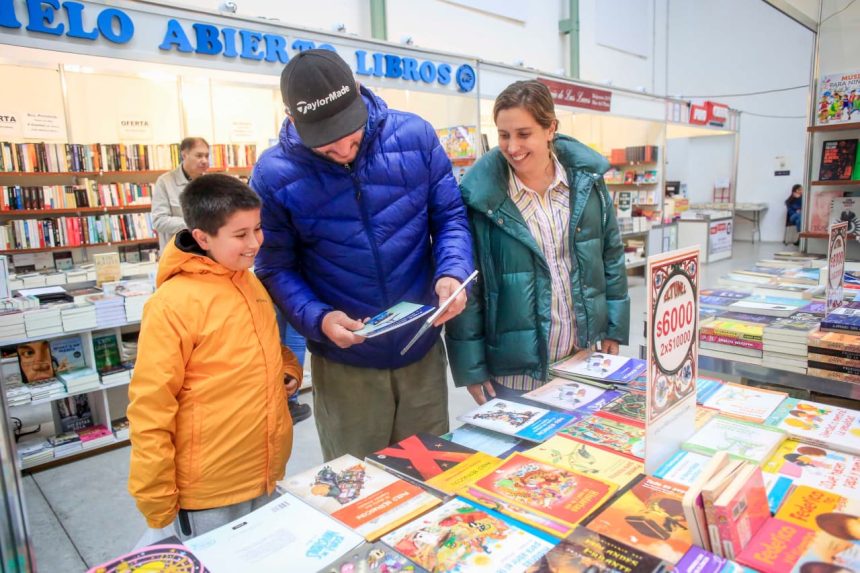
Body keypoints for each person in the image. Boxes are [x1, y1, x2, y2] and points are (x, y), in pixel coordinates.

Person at [251, 49, 473, 462]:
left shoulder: (415, 136)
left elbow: (450, 217)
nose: (343, 151)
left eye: (350, 135)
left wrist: (451, 272)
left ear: (357, 93)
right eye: (327, 145)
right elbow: (275, 266)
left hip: (420, 348)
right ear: (292, 117)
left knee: (432, 475)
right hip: (344, 363)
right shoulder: (273, 173)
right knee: (358, 487)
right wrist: (318, 318)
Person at [127, 174, 302, 540]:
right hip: (209, 489)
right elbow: (151, 406)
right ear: (202, 237)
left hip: (265, 469)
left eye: (257, 228)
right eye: (240, 235)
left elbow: (270, 347)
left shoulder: (248, 283)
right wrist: (157, 500)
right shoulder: (171, 305)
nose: (255, 243)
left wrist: (286, 370)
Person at [446, 80, 630, 404]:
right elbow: (469, 291)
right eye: (504, 135)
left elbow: (610, 256)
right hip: (517, 372)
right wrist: (472, 368)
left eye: (523, 133)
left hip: (582, 357)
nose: (512, 146)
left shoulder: (586, 186)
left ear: (550, 129)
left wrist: (613, 327)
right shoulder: (482, 201)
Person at [151, 137, 210, 252]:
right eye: (199, 156)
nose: (204, 160)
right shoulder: (165, 182)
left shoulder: (211, 182)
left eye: (207, 156)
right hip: (178, 253)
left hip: (206, 253)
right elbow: (159, 221)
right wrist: (194, 226)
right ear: (184, 155)